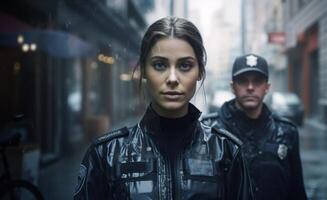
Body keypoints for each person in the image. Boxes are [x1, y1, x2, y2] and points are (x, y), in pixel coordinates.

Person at [74, 17, 253, 200]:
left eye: (185, 65)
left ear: (200, 71)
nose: (173, 78)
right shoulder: (106, 155)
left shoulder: (226, 152)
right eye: (160, 65)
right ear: (143, 70)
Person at [202, 54, 307, 200]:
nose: (250, 88)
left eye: (257, 81)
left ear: (267, 87)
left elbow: (296, 190)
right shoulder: (210, 131)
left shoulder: (286, 131)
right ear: (233, 87)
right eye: (243, 81)